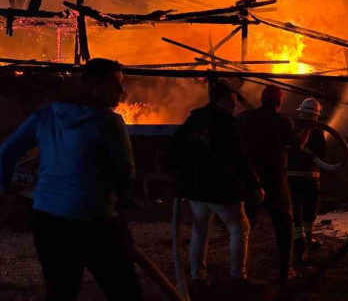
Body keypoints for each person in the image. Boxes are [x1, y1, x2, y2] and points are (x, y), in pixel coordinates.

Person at [0, 58, 142, 301]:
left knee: (61, 291)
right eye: (116, 84)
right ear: (96, 86)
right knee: (125, 291)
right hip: (96, 220)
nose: (122, 91)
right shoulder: (109, 122)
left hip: (48, 221)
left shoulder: (47, 114)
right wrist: (124, 202)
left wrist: (5, 190)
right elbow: (126, 173)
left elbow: (6, 152)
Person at [170, 79, 264, 286]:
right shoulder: (226, 123)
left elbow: (176, 146)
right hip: (221, 189)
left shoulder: (195, 119)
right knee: (240, 229)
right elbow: (239, 157)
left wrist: (182, 178)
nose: (234, 105)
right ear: (220, 101)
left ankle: (197, 277)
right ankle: (239, 277)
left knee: (200, 231)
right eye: (231, 101)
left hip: (196, 188)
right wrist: (255, 184)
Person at [237, 85, 305, 281]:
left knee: (245, 225)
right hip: (275, 179)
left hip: (249, 178)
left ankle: (241, 271)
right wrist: (308, 128)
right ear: (279, 102)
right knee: (284, 224)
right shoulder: (284, 122)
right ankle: (286, 270)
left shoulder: (244, 118)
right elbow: (297, 145)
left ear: (261, 99)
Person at [286, 98, 326, 265]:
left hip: (291, 178)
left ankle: (300, 243)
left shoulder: (290, 129)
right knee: (309, 212)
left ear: (301, 111)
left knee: (296, 213)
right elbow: (323, 157)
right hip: (311, 180)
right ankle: (305, 242)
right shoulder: (318, 133)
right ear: (316, 116)